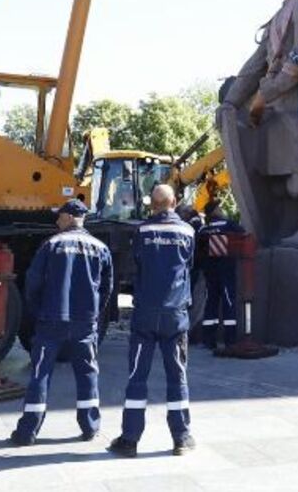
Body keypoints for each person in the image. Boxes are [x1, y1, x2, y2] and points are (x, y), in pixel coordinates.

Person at [9, 199, 113, 447]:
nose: (56, 221)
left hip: (51, 320)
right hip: (85, 323)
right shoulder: (100, 247)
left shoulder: (51, 245)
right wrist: (94, 313)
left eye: (59, 217)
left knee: (40, 373)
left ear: (69, 217)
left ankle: (28, 431)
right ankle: (89, 427)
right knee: (87, 372)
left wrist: (36, 312)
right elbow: (107, 289)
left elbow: (32, 283)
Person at [110, 184, 198, 457]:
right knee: (177, 375)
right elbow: (189, 267)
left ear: (153, 204)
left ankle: (130, 440)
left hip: (145, 313)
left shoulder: (142, 231)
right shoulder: (188, 231)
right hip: (176, 314)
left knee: (138, 376)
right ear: (174, 202)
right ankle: (181, 438)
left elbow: (136, 264)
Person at [196, 200, 242, 348]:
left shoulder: (203, 230)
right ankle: (230, 340)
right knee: (228, 301)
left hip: (210, 272)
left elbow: (198, 251)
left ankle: (209, 340)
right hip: (226, 268)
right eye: (219, 208)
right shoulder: (228, 225)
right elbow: (243, 233)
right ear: (215, 211)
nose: (221, 210)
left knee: (211, 302)